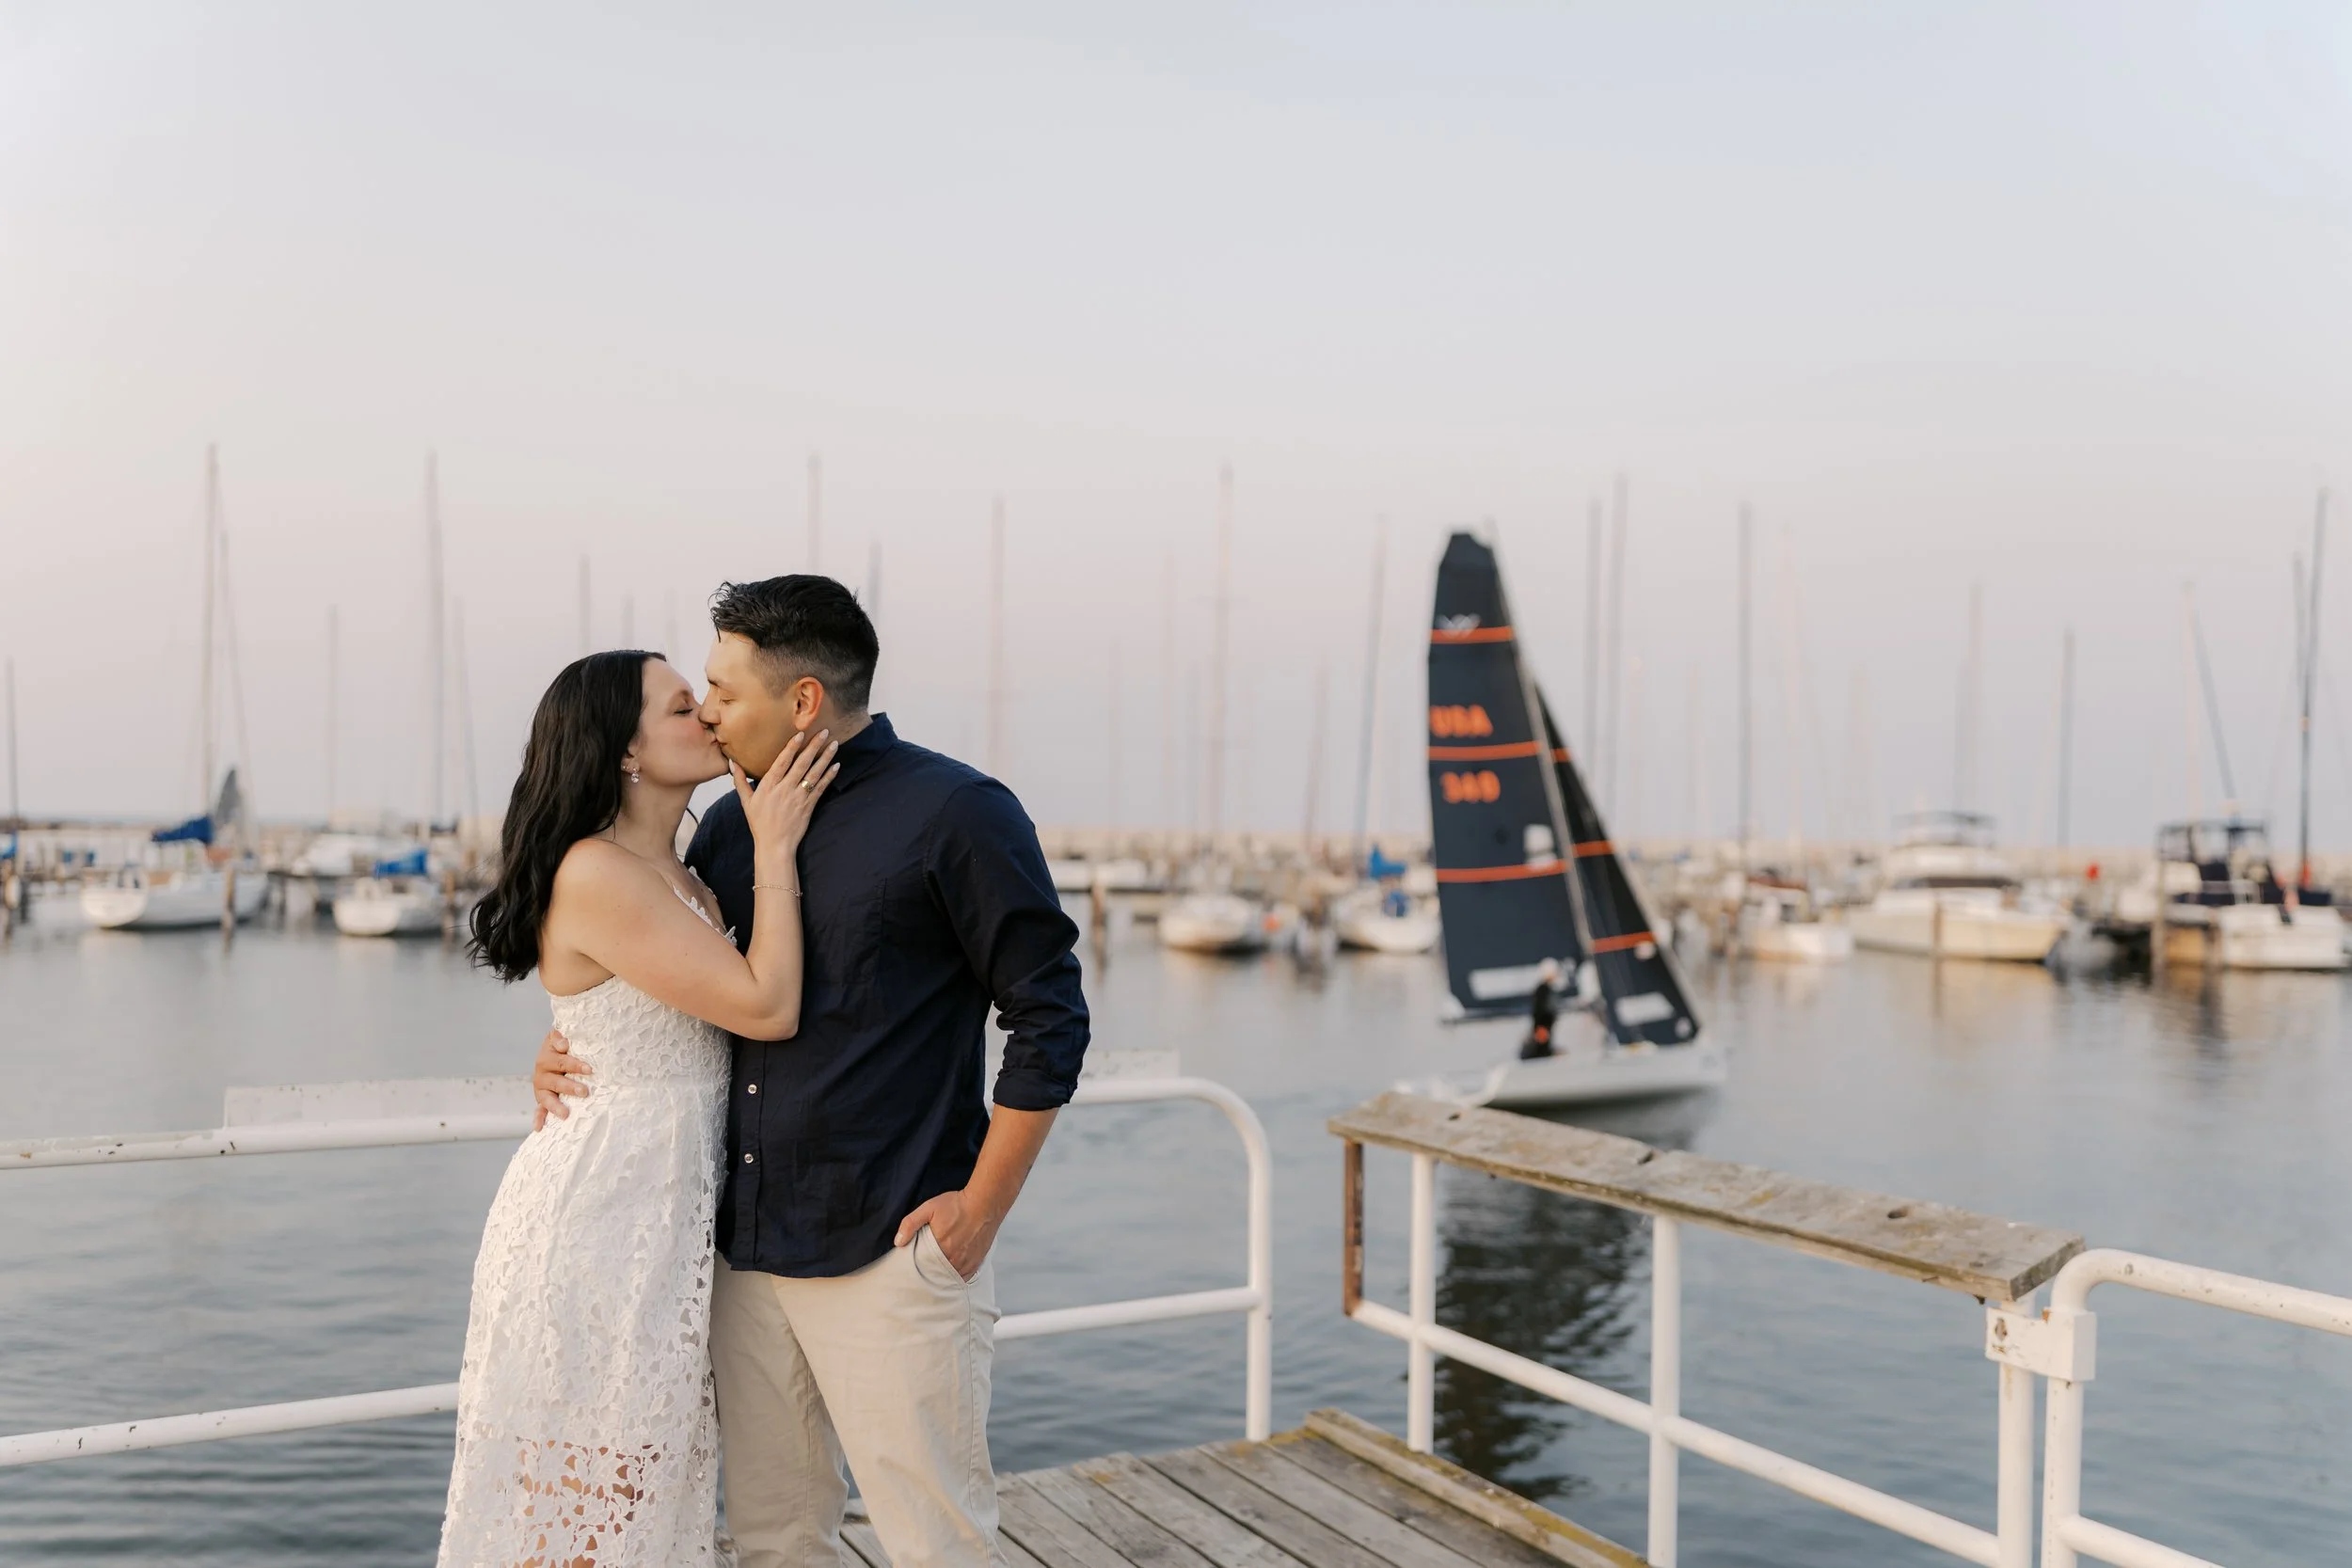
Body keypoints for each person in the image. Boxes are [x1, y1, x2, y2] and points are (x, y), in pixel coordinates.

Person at [533, 576, 1089, 1568]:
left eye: (723, 689)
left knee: (938, 1544)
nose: (707, 709)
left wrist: (981, 1207)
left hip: (891, 1243)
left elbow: (1049, 1015)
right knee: (775, 1541)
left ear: (800, 703)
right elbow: (673, 989)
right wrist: (573, 1043)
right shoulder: (726, 829)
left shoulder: (958, 811)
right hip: (741, 1256)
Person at [439, 650, 839, 1567]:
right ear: (623, 750)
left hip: (657, 1226)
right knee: (586, 1504)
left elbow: (641, 1026)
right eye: (678, 706)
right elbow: (767, 1006)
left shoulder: (682, 871)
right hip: (596, 1229)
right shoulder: (597, 871)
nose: (705, 715)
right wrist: (775, 845)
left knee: (635, 1498)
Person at [1518, 958, 1562, 1060]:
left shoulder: (1548, 988)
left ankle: (1545, 1051)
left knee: (1544, 1042)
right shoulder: (1542, 989)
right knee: (1541, 1045)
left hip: (1545, 1024)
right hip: (1543, 1025)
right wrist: (1540, 1027)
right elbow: (1539, 1010)